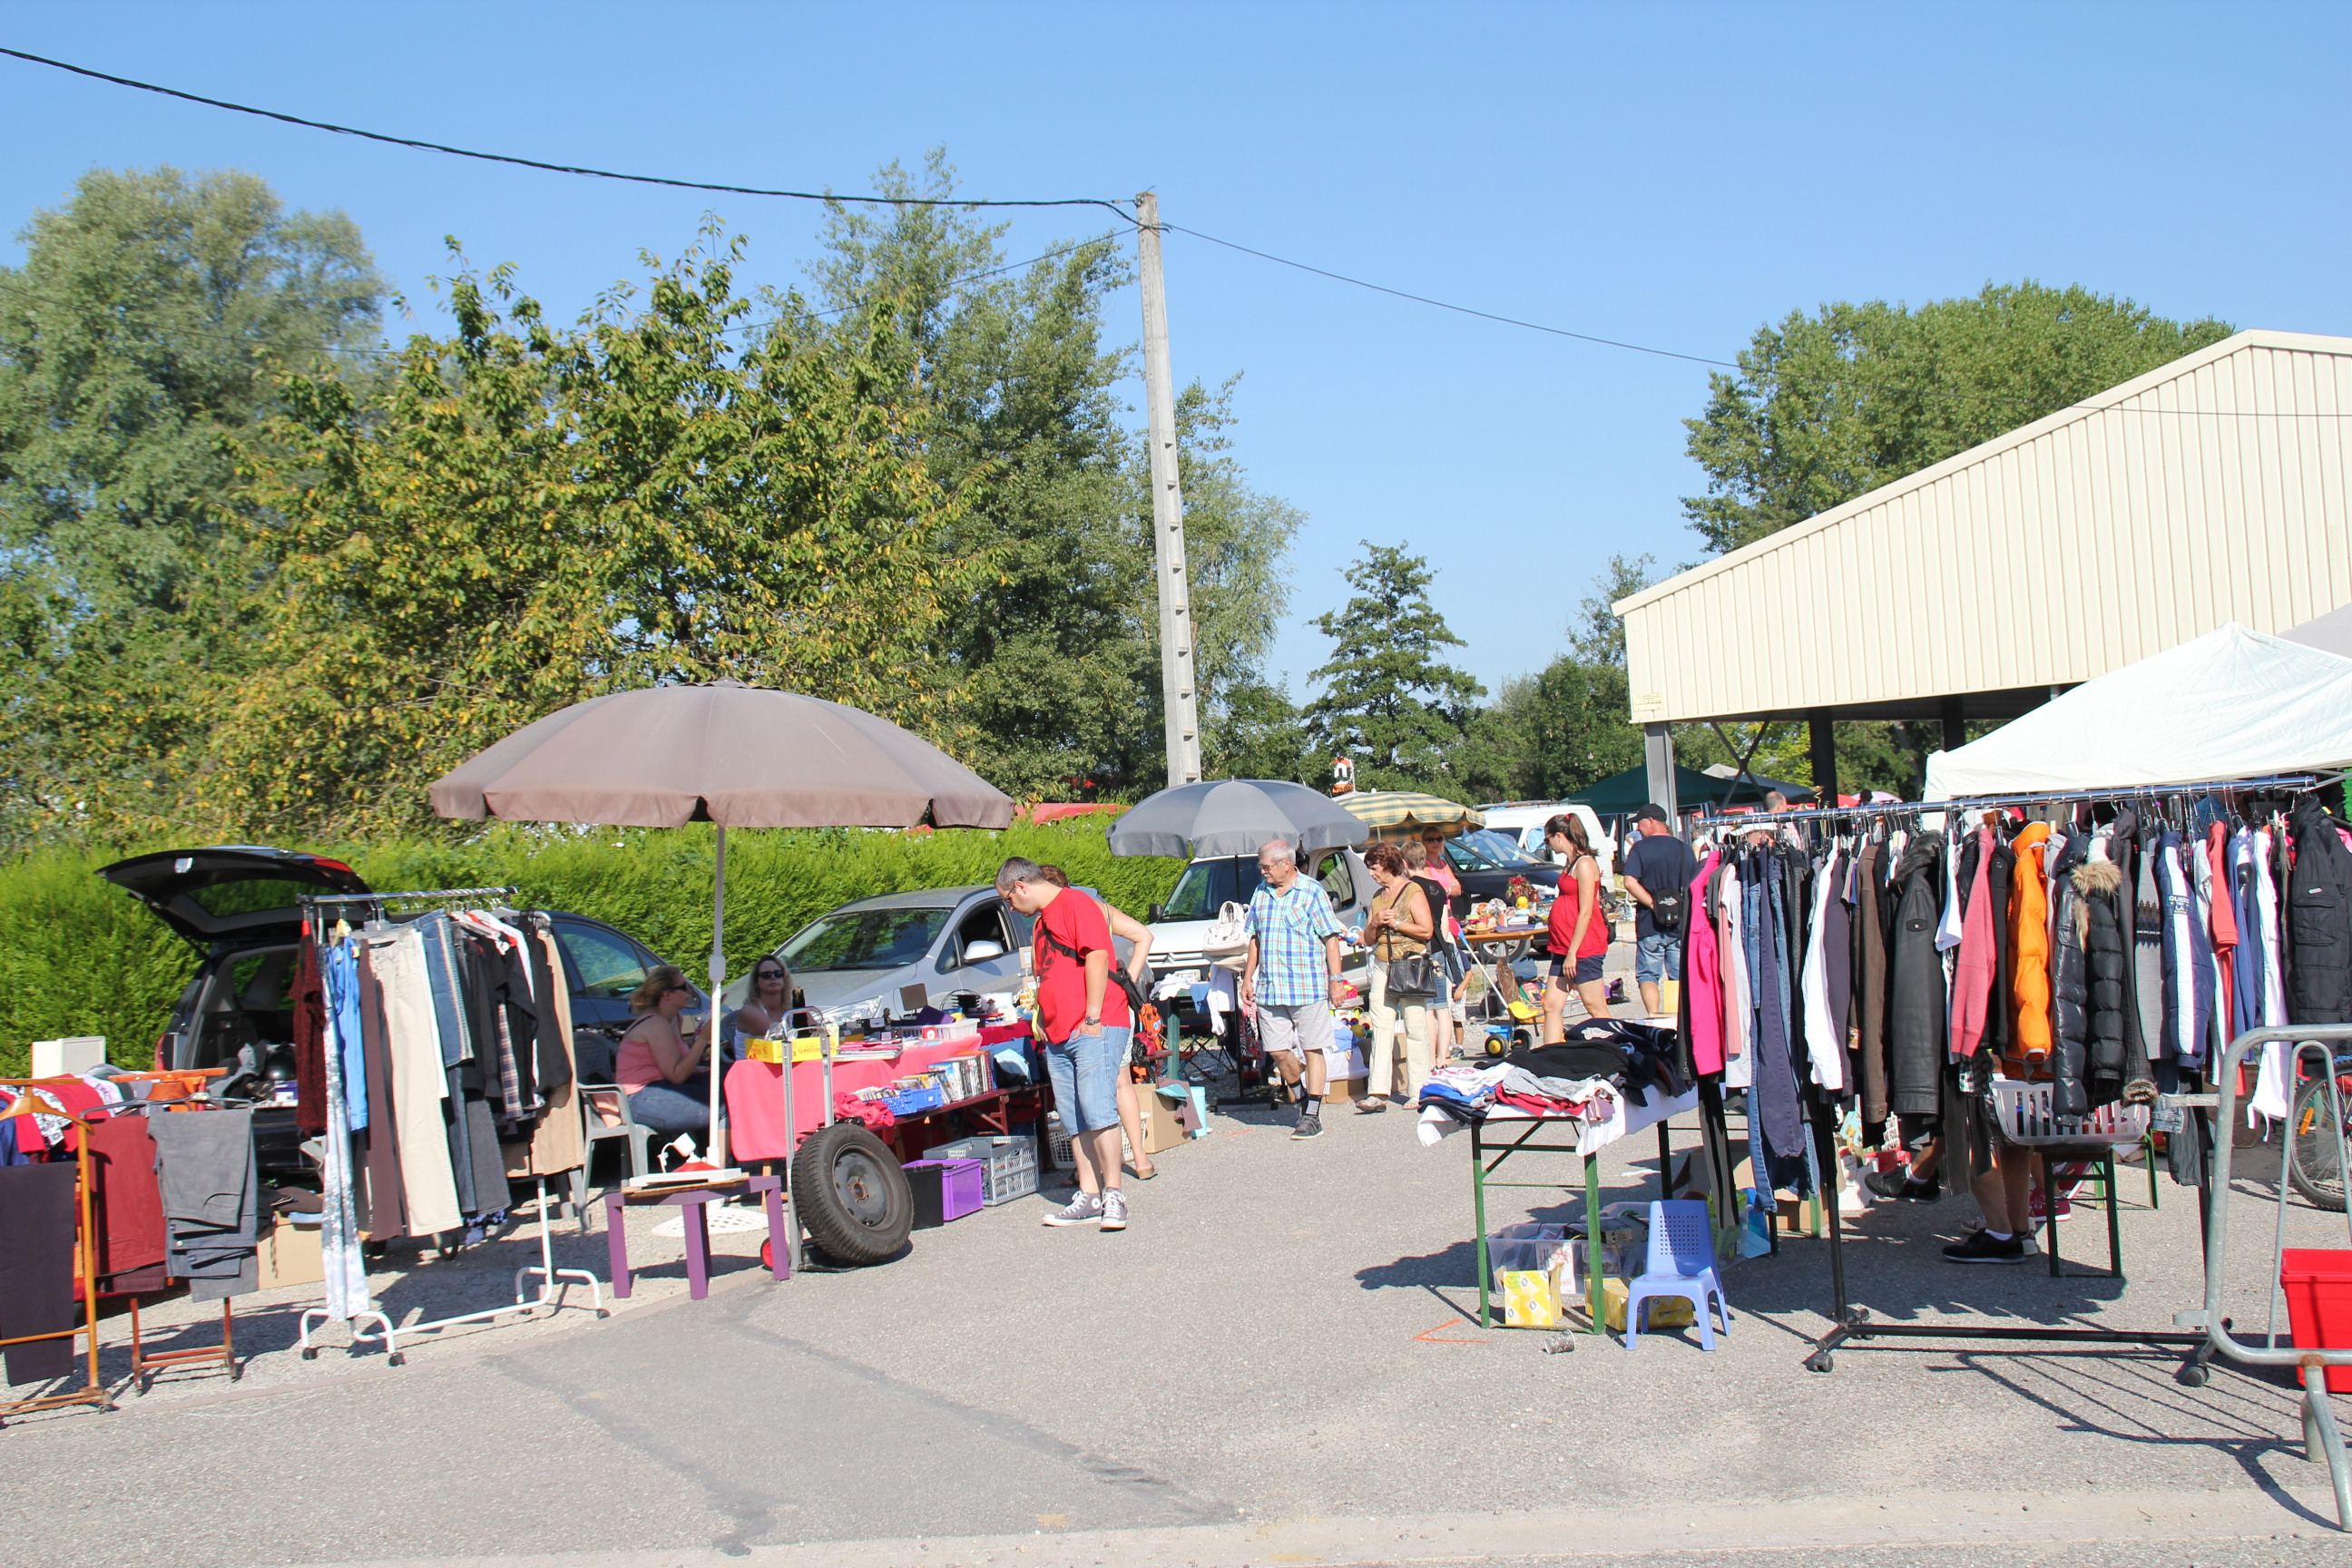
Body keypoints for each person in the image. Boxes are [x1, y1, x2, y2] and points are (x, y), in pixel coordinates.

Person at [997, 857, 1133, 1230]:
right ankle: (1088, 1194)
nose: (1011, 907)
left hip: (1093, 1024)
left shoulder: (1075, 903)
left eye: (1009, 899)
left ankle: (1114, 1195)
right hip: (1058, 1032)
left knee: (1098, 1108)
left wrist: (1091, 1017)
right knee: (1073, 1116)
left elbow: (1099, 956)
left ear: (1021, 885)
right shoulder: (1042, 920)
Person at [1038, 865, 1159, 1181]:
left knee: (1093, 1096)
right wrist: (1128, 977)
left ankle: (1097, 1172)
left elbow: (1107, 951)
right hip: (1111, 1004)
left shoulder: (1074, 910)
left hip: (1101, 1012)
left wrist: (1125, 980)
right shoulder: (1099, 908)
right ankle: (1140, 1159)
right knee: (1120, 1084)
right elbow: (1143, 935)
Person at [1240, 839, 1348, 1140]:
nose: (1262, 872)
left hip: (1306, 985)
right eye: (1260, 867)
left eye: (1266, 867)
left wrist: (1336, 980)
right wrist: (1248, 977)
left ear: (1285, 864)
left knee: (1313, 1048)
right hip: (1271, 987)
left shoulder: (1312, 892)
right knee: (1276, 1050)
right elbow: (1254, 938)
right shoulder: (1261, 892)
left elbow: (1331, 938)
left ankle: (1312, 1115)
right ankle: (1301, 1095)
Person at [1356, 842, 1436, 1112]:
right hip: (1382, 964)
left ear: (1389, 865)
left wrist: (1397, 923)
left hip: (1410, 965)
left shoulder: (1413, 891)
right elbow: (1367, 938)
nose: (1371, 874)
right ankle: (1377, 1091)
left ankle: (1419, 1090)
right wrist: (1376, 922)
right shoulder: (1378, 897)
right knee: (1380, 1026)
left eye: (1374, 868)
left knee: (1415, 1026)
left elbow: (1426, 931)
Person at [616, 965, 723, 1139]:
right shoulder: (655, 1023)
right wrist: (703, 1039)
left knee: (728, 1083)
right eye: (683, 986)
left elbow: (678, 1063)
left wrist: (697, 1068)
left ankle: (708, 1158)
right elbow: (677, 1075)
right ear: (667, 994)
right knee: (725, 1104)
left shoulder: (673, 1019)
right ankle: (720, 1162)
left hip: (661, 1087)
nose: (689, 991)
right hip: (639, 1099)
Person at [1619, 803, 1699, 1018]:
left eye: (1640, 823)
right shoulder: (1684, 849)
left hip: (1649, 923)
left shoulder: (1640, 849)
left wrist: (1653, 904)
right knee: (1678, 975)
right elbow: (1695, 885)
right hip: (1679, 923)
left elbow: (1629, 881)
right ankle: (1679, 1019)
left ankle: (1654, 1016)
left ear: (1651, 822)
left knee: (1648, 974)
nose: (1638, 828)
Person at [1542, 812, 1611, 1040]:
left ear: (1559, 836)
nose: (1548, 844)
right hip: (1562, 946)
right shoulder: (1569, 863)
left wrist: (1573, 953)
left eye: (1547, 839)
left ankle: (1618, 1051)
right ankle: (1549, 1057)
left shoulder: (1585, 864)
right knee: (1551, 1004)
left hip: (1582, 947)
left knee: (1595, 1007)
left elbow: (1586, 911)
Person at [1402, 838, 1465, 1062]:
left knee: (1427, 1008)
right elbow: (1444, 922)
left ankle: (1430, 1059)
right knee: (1443, 1007)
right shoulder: (1439, 887)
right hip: (1441, 946)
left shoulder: (1413, 888)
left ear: (1404, 862)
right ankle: (1443, 1057)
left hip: (1423, 950)